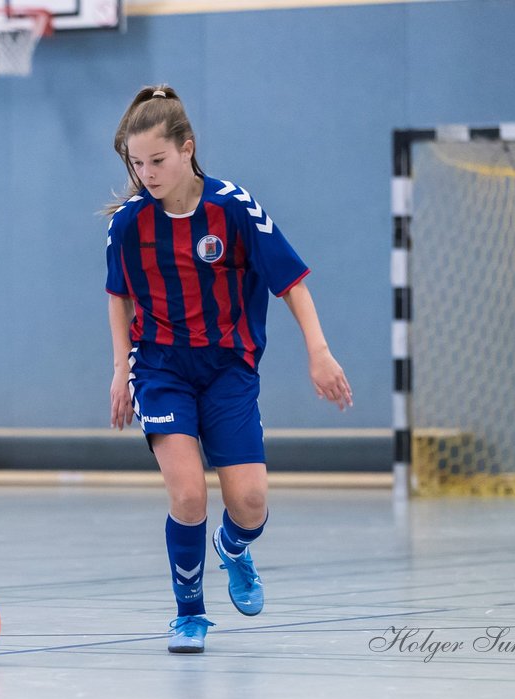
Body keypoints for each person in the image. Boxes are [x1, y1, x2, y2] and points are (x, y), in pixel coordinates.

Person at [103, 85, 352, 654]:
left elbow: (290, 281)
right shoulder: (127, 224)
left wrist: (319, 351)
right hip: (161, 367)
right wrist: (122, 369)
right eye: (136, 164)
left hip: (228, 371)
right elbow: (117, 295)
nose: (147, 174)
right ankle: (189, 614)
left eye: (157, 161)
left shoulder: (234, 207)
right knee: (187, 495)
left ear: (187, 149)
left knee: (250, 504)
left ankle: (234, 548)